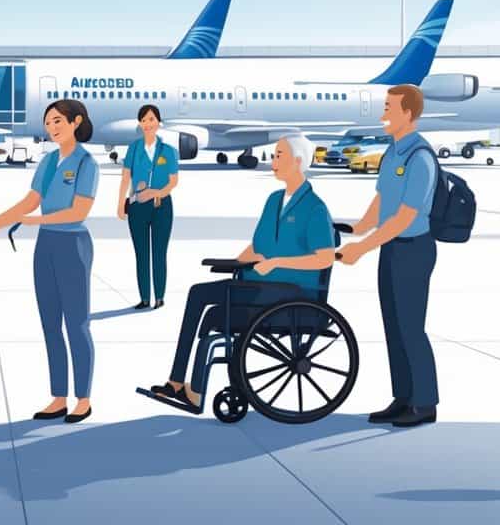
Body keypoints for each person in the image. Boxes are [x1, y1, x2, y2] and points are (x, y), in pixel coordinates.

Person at [144, 135, 336, 411]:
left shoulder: (314, 208)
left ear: (298, 162)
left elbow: (325, 258)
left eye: (279, 154)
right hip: (261, 285)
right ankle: (178, 383)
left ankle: (194, 392)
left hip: (291, 292)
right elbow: (257, 246)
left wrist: (277, 262)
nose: (273, 159)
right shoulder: (273, 200)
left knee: (211, 310)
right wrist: (234, 262)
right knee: (201, 298)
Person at [0, 99, 98, 423]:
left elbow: (79, 211)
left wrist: (33, 222)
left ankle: (84, 399)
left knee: (76, 324)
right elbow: (30, 201)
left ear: (76, 122)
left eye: (58, 121)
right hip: (46, 246)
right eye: (48, 122)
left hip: (73, 245)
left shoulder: (86, 163)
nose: (52, 127)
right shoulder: (48, 162)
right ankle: (58, 397)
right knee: (50, 324)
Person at [339, 84, 439, 428]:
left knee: (411, 328)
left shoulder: (419, 157)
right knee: (394, 327)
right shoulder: (392, 153)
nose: (383, 114)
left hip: (414, 250)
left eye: (389, 108)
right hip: (391, 248)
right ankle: (404, 397)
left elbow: (405, 217)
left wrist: (361, 249)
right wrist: (355, 230)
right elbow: (381, 206)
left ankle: (425, 402)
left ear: (408, 113)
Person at [117, 104, 179, 310]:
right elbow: (126, 176)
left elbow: (173, 181)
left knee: (159, 253)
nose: (147, 124)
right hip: (138, 206)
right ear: (140, 123)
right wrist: (120, 203)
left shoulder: (168, 151)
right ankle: (144, 298)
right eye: (144, 120)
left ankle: (159, 297)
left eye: (151, 119)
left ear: (158, 123)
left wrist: (156, 193)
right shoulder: (134, 148)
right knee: (141, 253)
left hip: (162, 206)